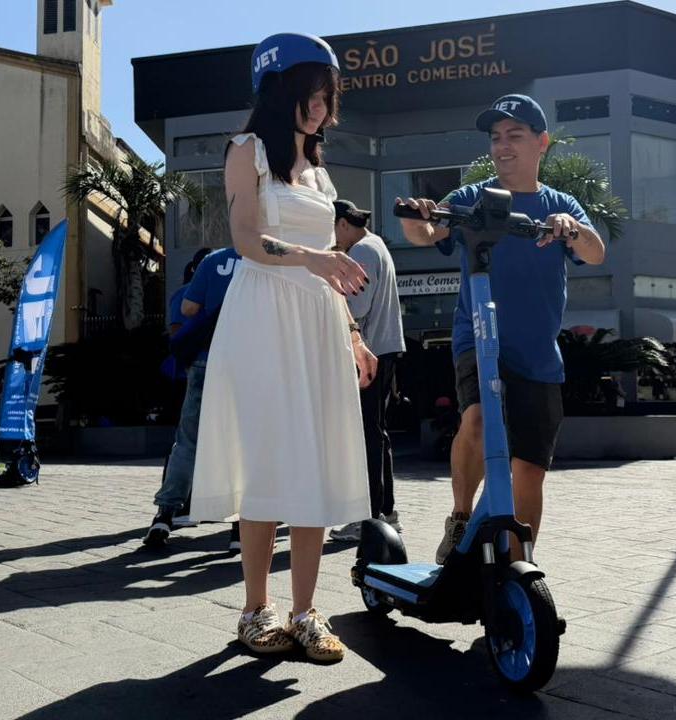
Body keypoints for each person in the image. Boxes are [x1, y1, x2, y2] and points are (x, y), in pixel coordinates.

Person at [190, 33, 375, 663]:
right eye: (311, 93)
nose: (322, 106)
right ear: (279, 90)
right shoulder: (246, 152)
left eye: (328, 96)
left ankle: (304, 612)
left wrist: (352, 333)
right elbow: (245, 239)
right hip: (263, 315)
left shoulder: (319, 172)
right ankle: (254, 610)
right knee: (269, 460)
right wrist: (314, 259)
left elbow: (328, 269)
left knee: (315, 464)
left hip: (317, 321)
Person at [398, 94, 606, 564]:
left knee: (529, 471)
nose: (502, 146)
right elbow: (426, 233)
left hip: (537, 354)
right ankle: (459, 517)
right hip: (479, 338)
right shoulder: (472, 198)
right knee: (475, 420)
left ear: (541, 144)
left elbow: (595, 252)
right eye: (496, 138)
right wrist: (417, 219)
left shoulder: (561, 205)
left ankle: (518, 564)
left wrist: (570, 227)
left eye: (515, 135)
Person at [143, 245, 240, 549]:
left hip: (205, 358)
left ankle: (165, 514)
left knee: (188, 441)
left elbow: (188, 309)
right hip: (247, 361)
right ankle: (242, 527)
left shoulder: (213, 261)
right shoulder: (265, 258)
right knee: (243, 445)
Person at [329, 199, 406, 542]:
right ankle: (384, 512)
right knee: (376, 432)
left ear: (343, 223)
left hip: (369, 353)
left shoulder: (361, 252)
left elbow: (356, 306)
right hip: (385, 350)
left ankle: (369, 517)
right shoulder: (378, 246)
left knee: (367, 436)